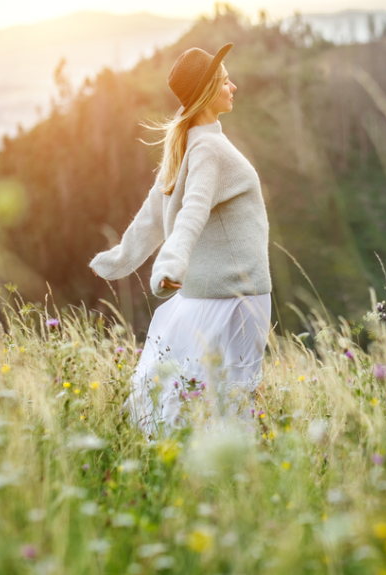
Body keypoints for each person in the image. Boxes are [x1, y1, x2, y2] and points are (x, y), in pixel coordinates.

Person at [88, 42, 272, 438]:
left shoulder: (190, 144)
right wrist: (170, 265)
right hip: (238, 298)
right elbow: (190, 212)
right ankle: (230, 483)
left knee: (197, 398)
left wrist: (120, 259)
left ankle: (185, 474)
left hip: (213, 297)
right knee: (231, 404)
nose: (234, 86)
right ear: (207, 93)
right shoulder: (209, 149)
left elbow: (153, 215)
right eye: (225, 81)